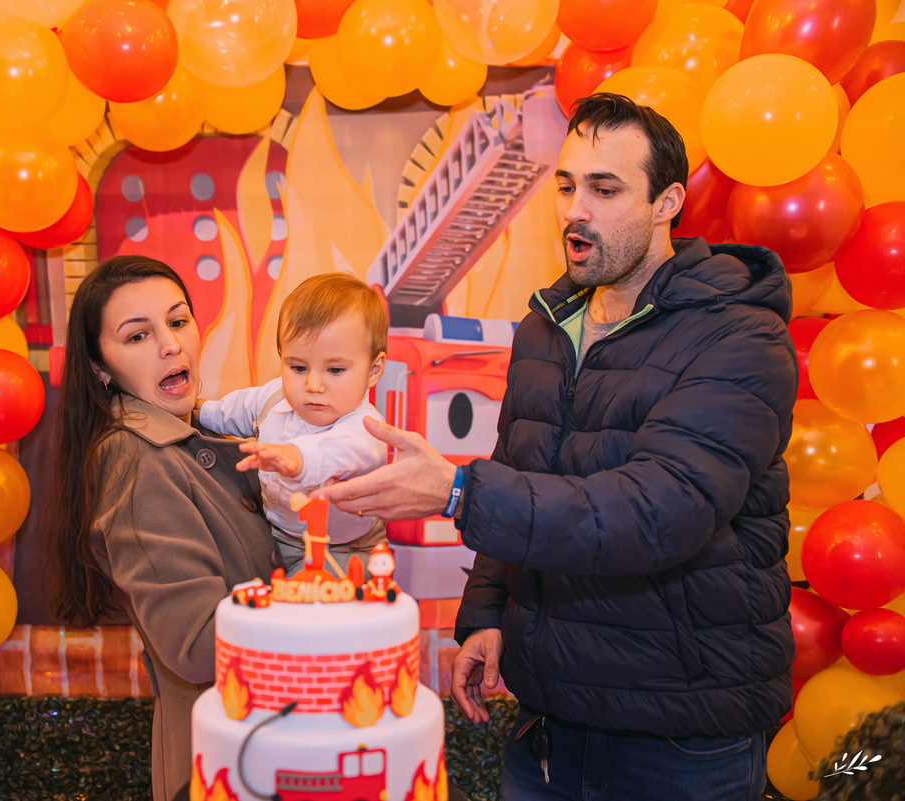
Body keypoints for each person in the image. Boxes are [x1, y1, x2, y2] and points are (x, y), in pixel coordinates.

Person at [315, 93, 796, 800]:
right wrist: (485, 612)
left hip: (681, 737)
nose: (575, 210)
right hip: (549, 724)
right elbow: (522, 469)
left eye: (605, 189)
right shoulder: (547, 328)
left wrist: (455, 490)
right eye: (567, 185)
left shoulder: (740, 336)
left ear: (668, 202)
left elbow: (659, 510)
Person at [44, 255, 280, 801]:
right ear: (102, 367)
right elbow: (198, 644)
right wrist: (317, 600)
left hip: (267, 739)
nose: (171, 345)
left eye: (177, 322)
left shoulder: (201, 435)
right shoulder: (135, 460)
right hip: (227, 759)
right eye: (137, 336)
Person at [198, 272, 389, 574]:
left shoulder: (365, 427)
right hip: (277, 534)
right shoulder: (274, 396)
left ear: (373, 370)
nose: (313, 384)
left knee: (315, 610)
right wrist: (200, 412)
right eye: (298, 367)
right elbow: (235, 409)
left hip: (342, 547)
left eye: (335, 370)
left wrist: (296, 458)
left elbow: (335, 451)